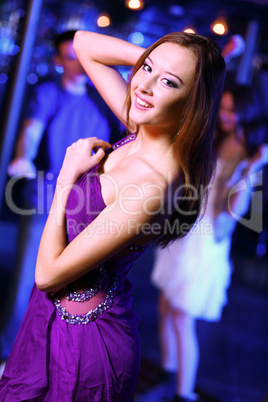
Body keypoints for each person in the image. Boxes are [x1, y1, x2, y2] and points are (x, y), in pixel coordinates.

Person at [0, 30, 226, 401]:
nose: (144, 86)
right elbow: (83, 44)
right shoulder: (142, 124)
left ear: (192, 100)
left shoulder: (153, 184)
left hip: (87, 347)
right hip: (51, 320)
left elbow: (47, 275)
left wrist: (66, 180)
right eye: (145, 69)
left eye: (168, 83)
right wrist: (164, 64)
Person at [0, 30, 113, 368]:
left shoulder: (101, 99)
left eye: (83, 57)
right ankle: (8, 353)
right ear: (58, 61)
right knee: (30, 278)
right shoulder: (50, 92)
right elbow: (31, 130)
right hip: (47, 198)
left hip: (90, 206)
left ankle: (51, 356)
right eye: (70, 58)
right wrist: (23, 156)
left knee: (80, 286)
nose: (78, 65)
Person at [150, 83, 268, 402]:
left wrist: (252, 169)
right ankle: (168, 374)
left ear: (248, 112)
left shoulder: (249, 154)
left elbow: (234, 210)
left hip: (205, 242)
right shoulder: (218, 138)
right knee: (166, 307)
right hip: (186, 228)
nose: (226, 116)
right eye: (224, 109)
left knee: (181, 315)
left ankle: (184, 393)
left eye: (233, 111)